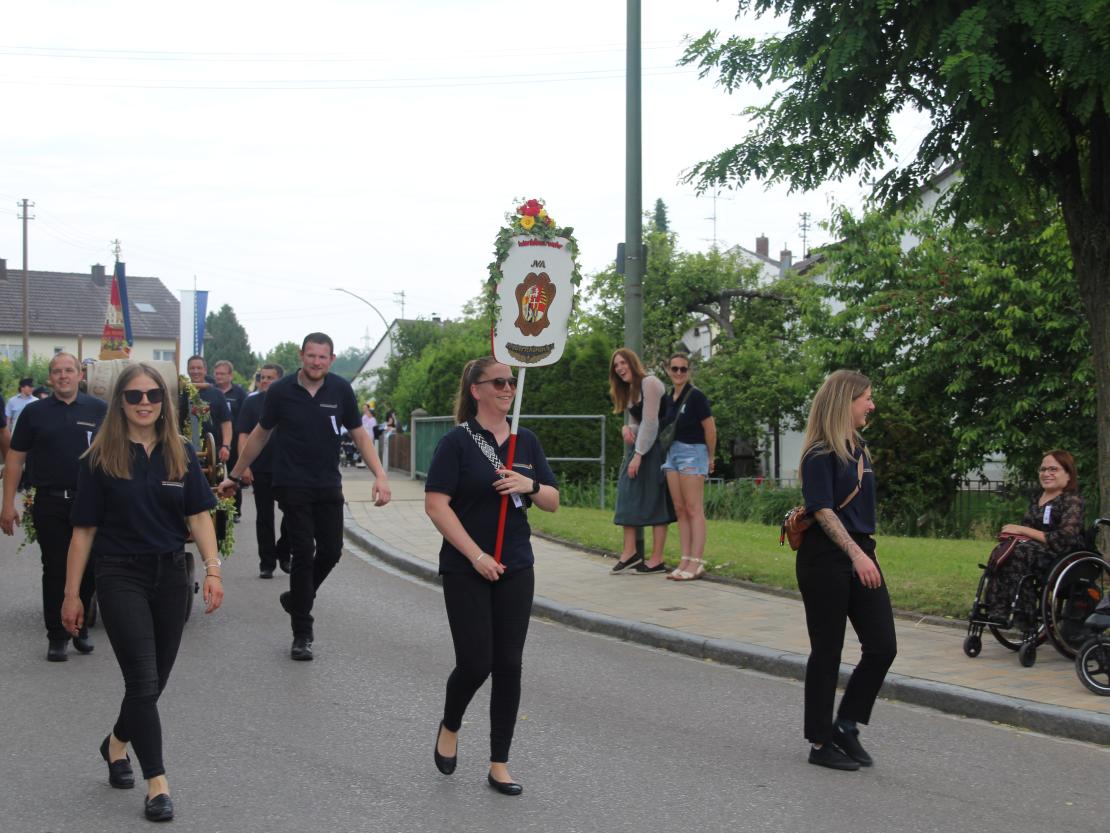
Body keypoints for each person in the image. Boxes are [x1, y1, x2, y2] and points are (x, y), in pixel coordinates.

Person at [60, 363, 224, 823]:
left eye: (153, 394)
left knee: (156, 683)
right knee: (143, 682)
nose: (145, 402)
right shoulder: (99, 458)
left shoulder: (182, 452)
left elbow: (199, 516)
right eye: (134, 396)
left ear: (164, 401)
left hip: (171, 576)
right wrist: (72, 594)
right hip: (119, 576)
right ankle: (157, 783)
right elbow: (83, 532)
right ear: (121, 403)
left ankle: (115, 744)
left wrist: (213, 570)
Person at [425, 357, 559, 796]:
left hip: (517, 565)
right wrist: (477, 554)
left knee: (509, 666)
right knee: (476, 663)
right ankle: (450, 723)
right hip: (467, 566)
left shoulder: (527, 441)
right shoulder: (456, 442)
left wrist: (530, 487)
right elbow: (436, 505)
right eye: (498, 381)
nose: (507, 388)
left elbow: (554, 500)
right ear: (477, 389)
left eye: (511, 382)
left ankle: (499, 763)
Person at [221, 333, 391, 661]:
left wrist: (381, 476)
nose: (316, 362)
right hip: (292, 482)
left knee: (332, 550)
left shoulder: (340, 390)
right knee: (303, 550)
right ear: (302, 356)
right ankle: (302, 632)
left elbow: (359, 435)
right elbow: (260, 434)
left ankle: (298, 598)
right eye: (311, 356)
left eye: (322, 357)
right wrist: (235, 473)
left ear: (331, 358)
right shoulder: (281, 391)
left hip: (327, 483)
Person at [796, 370, 896, 771]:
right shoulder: (819, 454)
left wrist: (862, 553)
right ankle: (820, 742)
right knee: (827, 651)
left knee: (882, 646)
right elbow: (822, 511)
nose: (871, 405)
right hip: (826, 558)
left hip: (860, 552)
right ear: (845, 401)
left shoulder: (860, 448)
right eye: (866, 398)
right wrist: (856, 554)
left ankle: (847, 724)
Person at [1, 353, 107, 661]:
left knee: (89, 569)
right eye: (57, 371)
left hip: (89, 502)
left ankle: (80, 628)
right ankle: (57, 636)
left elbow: (115, 456)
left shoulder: (99, 409)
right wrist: (7, 504)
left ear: (79, 375)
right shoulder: (34, 413)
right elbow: (15, 459)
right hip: (49, 502)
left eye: (69, 370)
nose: (63, 376)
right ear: (50, 378)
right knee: (56, 569)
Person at [984, 449, 1086, 626]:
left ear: (1068, 474)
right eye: (1043, 469)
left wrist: (1022, 530)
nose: (1046, 474)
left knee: (1020, 553)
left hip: (1061, 555)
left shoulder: (1072, 500)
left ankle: (1024, 614)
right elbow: (1029, 530)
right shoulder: (1038, 498)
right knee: (1003, 553)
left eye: (1053, 469)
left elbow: (1064, 538)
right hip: (1033, 551)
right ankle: (997, 608)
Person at [608, 347, 674, 575]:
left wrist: (638, 455)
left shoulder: (650, 383)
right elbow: (638, 423)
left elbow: (652, 423)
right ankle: (630, 553)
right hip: (640, 447)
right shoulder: (629, 391)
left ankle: (657, 559)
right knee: (627, 495)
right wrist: (627, 428)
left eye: (623, 363)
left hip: (656, 449)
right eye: (616, 366)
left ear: (632, 363)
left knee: (656, 501)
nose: (620, 369)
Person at [661, 353, 717, 581]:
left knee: (694, 508)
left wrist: (710, 457)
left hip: (693, 452)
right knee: (680, 509)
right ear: (668, 370)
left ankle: (696, 562)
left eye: (683, 369)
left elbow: (710, 429)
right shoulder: (668, 398)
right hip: (672, 453)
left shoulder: (696, 397)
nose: (679, 373)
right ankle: (685, 559)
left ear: (689, 371)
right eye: (675, 369)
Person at [236, 363, 291, 578]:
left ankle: (284, 551)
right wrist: (245, 466)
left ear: (280, 380)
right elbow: (243, 435)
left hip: (287, 468)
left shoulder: (289, 402)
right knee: (264, 517)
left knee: (293, 513)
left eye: (270, 378)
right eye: (262, 377)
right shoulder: (252, 404)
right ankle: (267, 562)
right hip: (262, 467)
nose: (265, 381)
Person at [213, 360, 248, 520]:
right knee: (216, 474)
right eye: (217, 373)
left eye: (222, 374)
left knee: (234, 473)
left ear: (230, 375)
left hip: (234, 441)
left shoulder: (239, 394)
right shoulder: (211, 391)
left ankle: (234, 509)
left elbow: (244, 417)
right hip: (214, 441)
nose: (219, 376)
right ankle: (216, 507)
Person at [183, 356, 232, 464]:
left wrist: (226, 446)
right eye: (192, 368)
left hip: (212, 450)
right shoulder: (180, 393)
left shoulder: (217, 394)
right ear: (187, 370)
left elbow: (226, 423)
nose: (195, 371)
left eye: (199, 368)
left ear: (205, 370)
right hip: (184, 451)